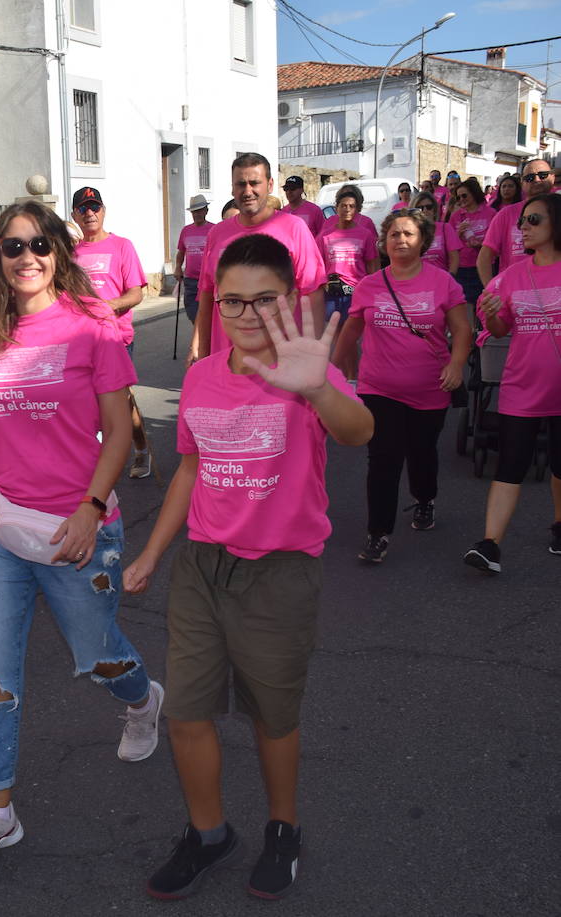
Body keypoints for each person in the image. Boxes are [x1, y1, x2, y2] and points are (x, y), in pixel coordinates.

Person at [124, 234, 372, 902]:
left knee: (272, 715)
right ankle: (208, 833)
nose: (246, 314)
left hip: (280, 572)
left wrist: (318, 389)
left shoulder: (307, 368)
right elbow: (193, 469)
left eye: (264, 300)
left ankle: (283, 828)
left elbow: (359, 430)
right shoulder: (202, 375)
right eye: (231, 301)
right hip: (203, 567)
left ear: (290, 300)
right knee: (187, 712)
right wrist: (151, 553)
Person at [0, 199, 163, 874]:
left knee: (97, 656)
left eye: (40, 242)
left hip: (79, 525)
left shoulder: (93, 325)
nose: (27, 255)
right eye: (12, 246)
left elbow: (121, 430)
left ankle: (143, 699)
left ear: (59, 250)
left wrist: (91, 508)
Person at [333, 210, 471, 564]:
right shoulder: (369, 285)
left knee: (422, 454)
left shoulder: (443, 283)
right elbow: (351, 331)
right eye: (394, 234)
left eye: (409, 234)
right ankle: (378, 533)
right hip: (379, 389)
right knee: (383, 460)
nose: (401, 240)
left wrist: (456, 365)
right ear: (384, 241)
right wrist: (330, 369)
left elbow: (463, 330)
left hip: (430, 388)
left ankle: (425, 498)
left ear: (423, 241)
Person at [464, 193, 561, 574]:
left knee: (560, 464)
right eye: (522, 221)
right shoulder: (513, 276)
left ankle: (559, 525)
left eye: (534, 220)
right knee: (510, 465)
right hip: (522, 387)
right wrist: (490, 318)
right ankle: (490, 545)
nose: (524, 228)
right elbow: (503, 328)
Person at [191, 152, 327, 362]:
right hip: (227, 360)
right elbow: (208, 297)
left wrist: (314, 351)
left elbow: (314, 295)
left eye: (254, 183)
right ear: (232, 188)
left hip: (282, 361)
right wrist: (198, 348)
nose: (247, 191)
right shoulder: (217, 234)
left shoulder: (294, 229)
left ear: (270, 185)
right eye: (240, 184)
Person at [71, 186, 155, 478]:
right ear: (74, 215)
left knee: (120, 400)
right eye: (83, 208)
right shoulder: (69, 253)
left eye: (94, 207)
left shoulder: (122, 246)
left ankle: (141, 447)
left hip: (116, 337)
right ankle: (95, 463)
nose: (90, 213)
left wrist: (109, 306)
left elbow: (135, 295)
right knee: (86, 401)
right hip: (80, 340)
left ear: (103, 211)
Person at [479, 158, 555, 287]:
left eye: (543, 175)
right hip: (515, 290)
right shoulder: (506, 214)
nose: (537, 180)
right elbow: (484, 258)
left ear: (552, 177)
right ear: (522, 183)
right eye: (530, 178)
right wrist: (491, 291)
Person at [316, 184, 379, 324]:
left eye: (351, 206)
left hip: (357, 292)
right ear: (336, 207)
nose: (347, 209)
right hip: (332, 291)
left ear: (357, 209)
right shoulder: (326, 235)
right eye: (343, 206)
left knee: (353, 333)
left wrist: (373, 291)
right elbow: (317, 264)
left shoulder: (365, 234)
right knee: (334, 332)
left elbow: (372, 265)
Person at [449, 177, 495, 305]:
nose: (461, 200)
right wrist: (458, 234)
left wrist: (481, 245)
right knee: (465, 303)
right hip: (463, 266)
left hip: (485, 264)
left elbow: (496, 239)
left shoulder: (490, 213)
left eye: (464, 195)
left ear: (474, 193)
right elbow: (450, 243)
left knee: (484, 302)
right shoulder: (456, 216)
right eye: (458, 197)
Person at [176, 195, 214, 324]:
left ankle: (203, 342)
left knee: (209, 315)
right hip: (190, 280)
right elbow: (181, 252)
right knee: (193, 313)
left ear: (206, 210)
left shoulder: (214, 230)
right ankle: (200, 340)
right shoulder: (186, 230)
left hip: (209, 280)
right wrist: (177, 268)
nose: (197, 214)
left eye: (199, 210)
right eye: (194, 211)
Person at [410, 192, 461, 276]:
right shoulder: (409, 232)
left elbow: (454, 258)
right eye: (420, 208)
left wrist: (450, 278)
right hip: (416, 282)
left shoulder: (445, 228)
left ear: (434, 209)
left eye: (429, 207)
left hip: (441, 281)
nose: (425, 210)